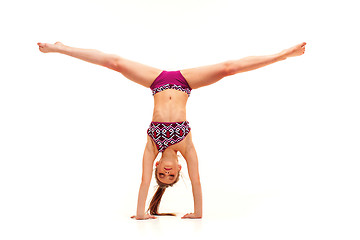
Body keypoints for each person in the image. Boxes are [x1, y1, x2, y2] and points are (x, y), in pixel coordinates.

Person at [37, 41, 306, 220]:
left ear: (157, 168)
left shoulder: (152, 147)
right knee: (228, 68)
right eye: (171, 175)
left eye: (162, 175)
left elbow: (143, 183)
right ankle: (282, 55)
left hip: (156, 82)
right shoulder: (185, 147)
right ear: (178, 168)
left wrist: (141, 214)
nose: (166, 172)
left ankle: (60, 48)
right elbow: (198, 182)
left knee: (115, 62)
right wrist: (197, 214)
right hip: (183, 83)